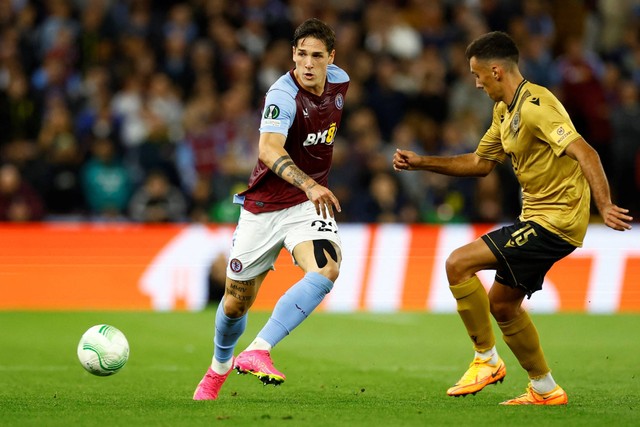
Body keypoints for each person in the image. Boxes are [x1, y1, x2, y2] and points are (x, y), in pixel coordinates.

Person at [393, 31, 633, 406]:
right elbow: (480, 163)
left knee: (458, 263)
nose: (475, 83)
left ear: (496, 71)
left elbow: (587, 153)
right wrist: (423, 162)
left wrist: (603, 204)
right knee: (503, 304)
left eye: (477, 75)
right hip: (537, 218)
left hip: (555, 221)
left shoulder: (538, 105)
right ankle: (544, 389)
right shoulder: (505, 111)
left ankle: (485, 360)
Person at [193, 18, 349, 401]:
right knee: (234, 304)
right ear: (292, 55)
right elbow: (267, 148)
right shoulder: (281, 95)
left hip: (305, 206)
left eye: (316, 56)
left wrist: (312, 187)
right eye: (301, 55)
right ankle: (218, 369)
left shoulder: (340, 83)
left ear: (331, 58)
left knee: (328, 266)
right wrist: (311, 182)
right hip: (263, 208)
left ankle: (259, 349)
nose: (308, 64)